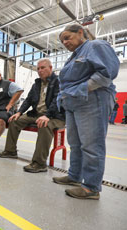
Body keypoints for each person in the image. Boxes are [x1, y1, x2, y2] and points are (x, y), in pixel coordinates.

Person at [52, 24, 119, 200]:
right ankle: (74, 176)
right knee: (75, 144)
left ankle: (91, 187)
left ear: (80, 32)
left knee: (91, 145)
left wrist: (80, 89)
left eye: (67, 37)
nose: (65, 42)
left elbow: (106, 74)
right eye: (62, 40)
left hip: (92, 99)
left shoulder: (96, 46)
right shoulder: (74, 56)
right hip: (73, 102)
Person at [0, 59, 65, 173]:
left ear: (51, 68)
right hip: (37, 113)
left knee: (44, 125)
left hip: (55, 116)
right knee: (14, 121)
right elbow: (28, 100)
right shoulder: (37, 84)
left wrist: (47, 115)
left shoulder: (59, 82)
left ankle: (39, 163)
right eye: (38, 68)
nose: (40, 70)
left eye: (43, 68)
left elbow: (57, 100)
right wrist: (19, 112)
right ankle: (10, 151)